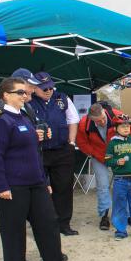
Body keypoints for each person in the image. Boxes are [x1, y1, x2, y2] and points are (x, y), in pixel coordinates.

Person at [0, 77, 74, 261]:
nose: (25, 96)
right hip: (12, 184)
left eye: (26, 93)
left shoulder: (25, 116)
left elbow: (35, 153)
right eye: (20, 93)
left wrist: (44, 180)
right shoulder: (0, 120)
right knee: (14, 231)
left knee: (48, 224)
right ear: (6, 95)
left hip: (35, 182)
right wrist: (2, 186)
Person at [29, 72, 80, 236]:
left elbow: (73, 120)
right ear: (34, 88)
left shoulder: (62, 98)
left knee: (64, 187)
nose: (48, 90)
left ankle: (63, 224)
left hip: (62, 150)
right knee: (40, 189)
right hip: (39, 152)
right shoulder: (29, 101)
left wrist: (71, 142)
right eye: (44, 88)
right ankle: (44, 224)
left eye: (50, 87)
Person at [76, 102, 131, 230]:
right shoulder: (84, 123)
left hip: (119, 155)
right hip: (98, 156)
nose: (101, 122)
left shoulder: (118, 116)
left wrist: (121, 152)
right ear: (90, 118)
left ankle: (126, 214)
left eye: (103, 119)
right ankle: (104, 216)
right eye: (97, 121)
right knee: (102, 186)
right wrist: (95, 154)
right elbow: (82, 142)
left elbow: (130, 133)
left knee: (123, 184)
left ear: (104, 112)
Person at [105, 114, 131, 240]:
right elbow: (107, 160)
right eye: (123, 126)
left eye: (128, 126)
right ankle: (120, 231)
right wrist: (116, 162)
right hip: (119, 180)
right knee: (119, 206)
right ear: (116, 128)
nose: (126, 128)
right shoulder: (112, 144)